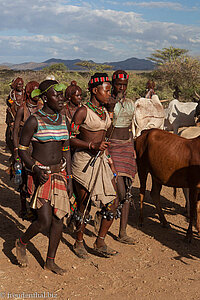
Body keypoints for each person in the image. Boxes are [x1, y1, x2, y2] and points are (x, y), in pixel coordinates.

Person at [15, 80, 73, 275]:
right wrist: (34, 169)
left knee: (59, 219)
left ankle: (50, 261)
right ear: (45, 98)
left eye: (62, 94)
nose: (62, 99)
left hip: (60, 174)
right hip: (40, 174)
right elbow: (22, 151)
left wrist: (70, 177)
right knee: (45, 221)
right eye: (57, 95)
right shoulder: (34, 120)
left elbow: (66, 150)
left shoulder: (64, 120)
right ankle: (21, 242)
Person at [70, 73, 118, 259]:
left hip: (101, 161)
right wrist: (91, 146)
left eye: (109, 91)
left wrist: (110, 162)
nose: (109, 94)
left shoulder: (105, 112)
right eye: (106, 91)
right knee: (85, 203)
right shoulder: (82, 111)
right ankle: (79, 242)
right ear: (95, 90)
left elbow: (106, 136)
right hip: (83, 162)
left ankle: (100, 241)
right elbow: (70, 139)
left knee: (112, 202)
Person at [106, 70, 137, 244]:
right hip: (112, 147)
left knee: (128, 191)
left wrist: (132, 149)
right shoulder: (108, 103)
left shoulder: (131, 103)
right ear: (113, 84)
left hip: (126, 148)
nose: (122, 88)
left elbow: (130, 129)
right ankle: (103, 223)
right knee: (119, 191)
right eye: (119, 84)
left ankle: (122, 232)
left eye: (125, 85)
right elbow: (105, 128)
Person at [13, 81, 43, 220]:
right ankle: (23, 207)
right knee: (23, 179)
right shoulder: (22, 108)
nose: (38, 94)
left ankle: (35, 207)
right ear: (29, 92)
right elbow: (15, 132)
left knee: (36, 178)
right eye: (35, 91)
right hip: (24, 148)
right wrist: (16, 150)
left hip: (37, 148)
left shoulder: (42, 108)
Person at [5, 77, 24, 158]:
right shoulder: (11, 95)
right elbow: (10, 105)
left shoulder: (26, 93)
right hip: (13, 119)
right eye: (19, 84)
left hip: (23, 120)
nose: (21, 86)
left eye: (22, 84)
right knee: (9, 139)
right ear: (15, 85)